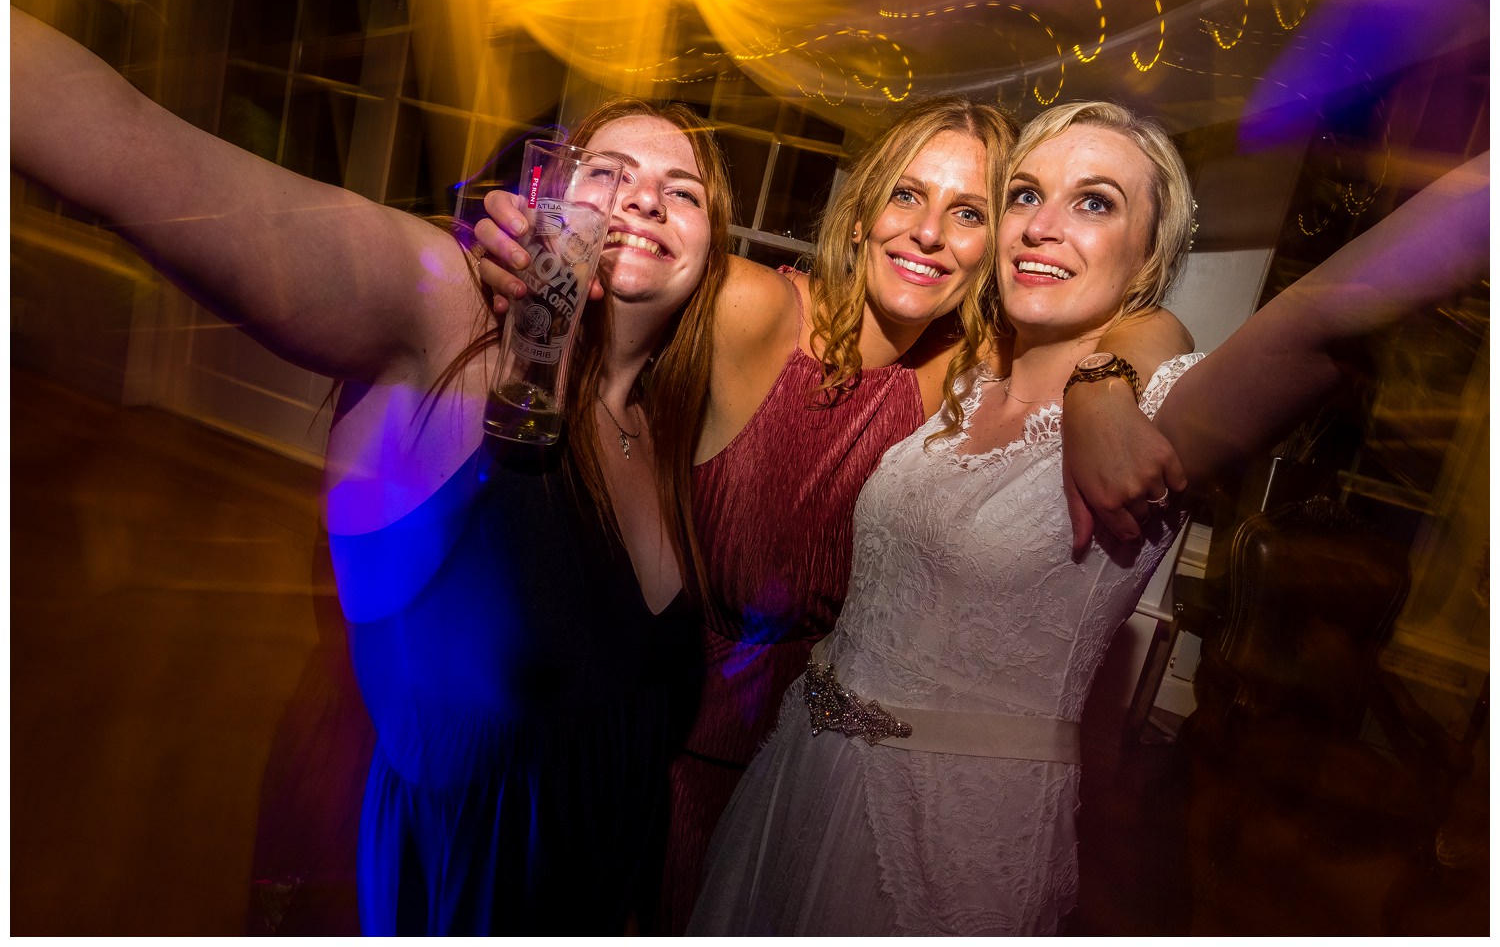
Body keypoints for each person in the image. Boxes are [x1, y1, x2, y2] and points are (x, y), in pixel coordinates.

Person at [10, 5, 731, 935]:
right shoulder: (452, 330)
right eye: (609, 174)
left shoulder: (670, 436)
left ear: (715, 253)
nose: (643, 200)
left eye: (685, 192)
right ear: (544, 200)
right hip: (439, 899)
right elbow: (131, 149)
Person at [686, 100, 1488, 935]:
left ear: (1148, 256)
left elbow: (1327, 317)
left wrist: (1115, 370)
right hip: (797, 774)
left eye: (1096, 202)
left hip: (950, 829)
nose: (1042, 227)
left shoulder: (1165, 411)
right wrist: (1097, 372)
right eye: (1026, 196)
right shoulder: (957, 368)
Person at [475, 94, 1196, 929]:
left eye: (968, 212)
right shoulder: (753, 312)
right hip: (653, 760)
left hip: (811, 779)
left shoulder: (963, 376)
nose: (928, 232)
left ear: (993, 247)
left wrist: (1106, 382)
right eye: (905, 195)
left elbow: (1148, 326)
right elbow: (621, 272)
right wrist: (506, 256)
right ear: (859, 217)